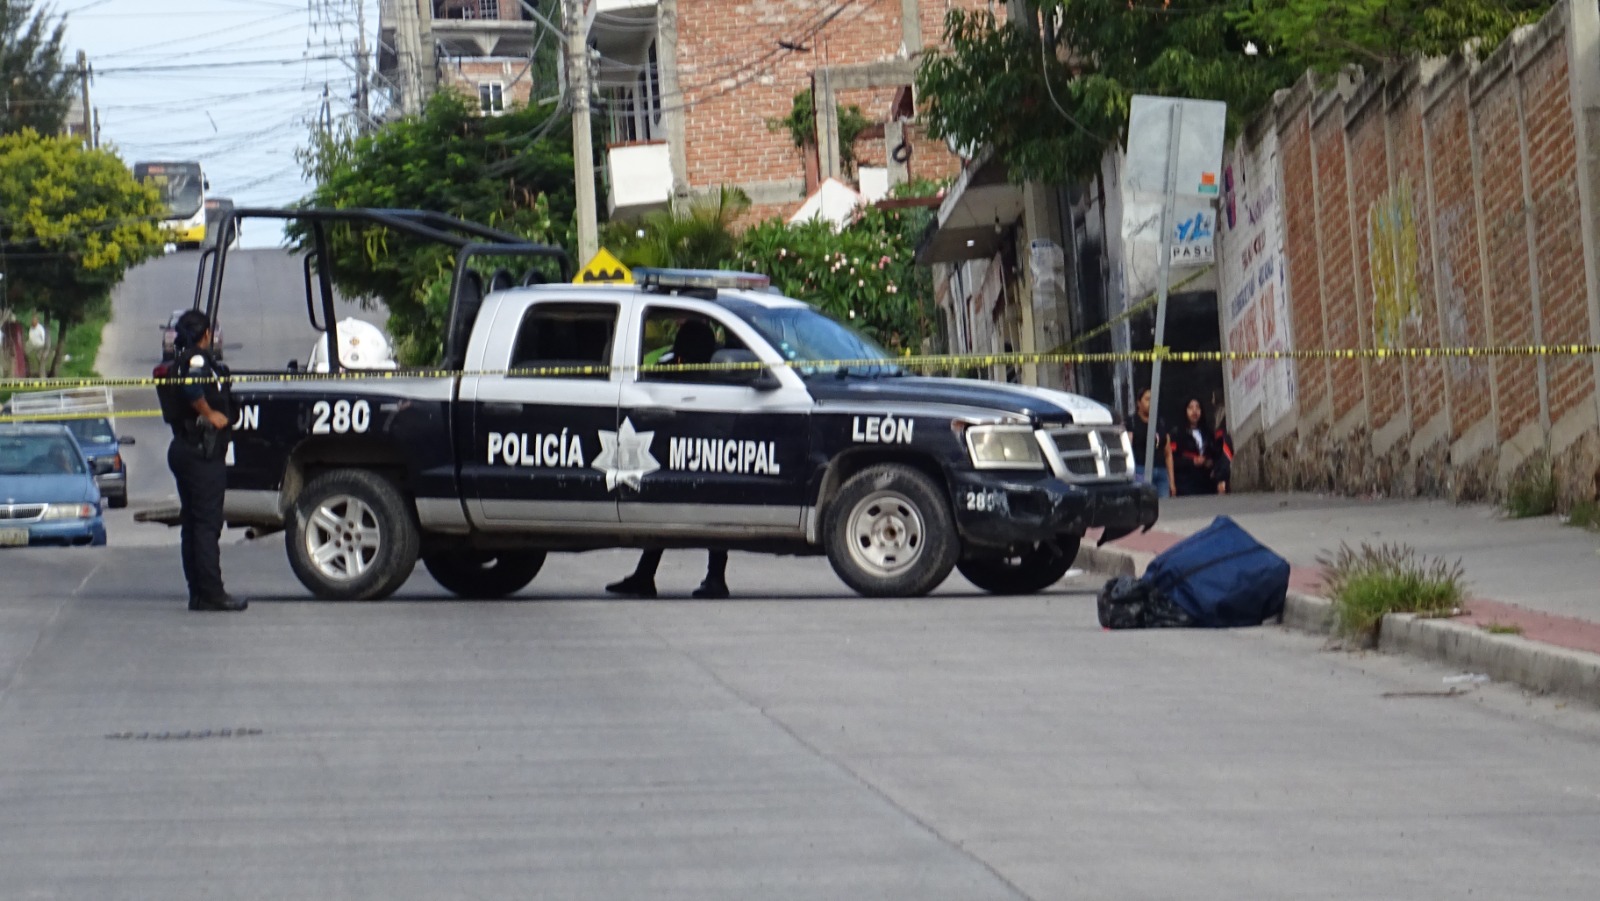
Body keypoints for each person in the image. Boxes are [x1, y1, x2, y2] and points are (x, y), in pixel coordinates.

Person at [605, 319, 731, 600]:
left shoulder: (678, 367)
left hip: (685, 451)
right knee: (705, 513)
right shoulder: (715, 372)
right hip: (695, 453)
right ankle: (660, 575)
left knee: (688, 512)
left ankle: (706, 577)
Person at [157, 310, 246, 612]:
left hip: (188, 448)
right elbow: (193, 388)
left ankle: (198, 592)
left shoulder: (183, 360)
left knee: (193, 525)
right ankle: (211, 593)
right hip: (200, 452)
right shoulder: (196, 360)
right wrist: (210, 414)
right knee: (207, 525)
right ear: (206, 333)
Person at [1168, 397, 1224, 496]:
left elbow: (1216, 454)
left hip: (1206, 482)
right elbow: (1173, 458)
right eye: (1190, 408)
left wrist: (1208, 462)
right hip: (1186, 483)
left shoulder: (1208, 433)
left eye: (1198, 407)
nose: (1194, 411)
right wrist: (1192, 461)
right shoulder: (1177, 434)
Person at [1128, 387, 1174, 498]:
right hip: (1141, 470)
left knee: (1165, 506)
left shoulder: (1161, 422)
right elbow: (1128, 450)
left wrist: (1172, 481)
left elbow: (1168, 453)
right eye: (1147, 399)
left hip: (1161, 471)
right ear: (1138, 403)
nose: (1151, 403)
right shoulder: (1132, 422)